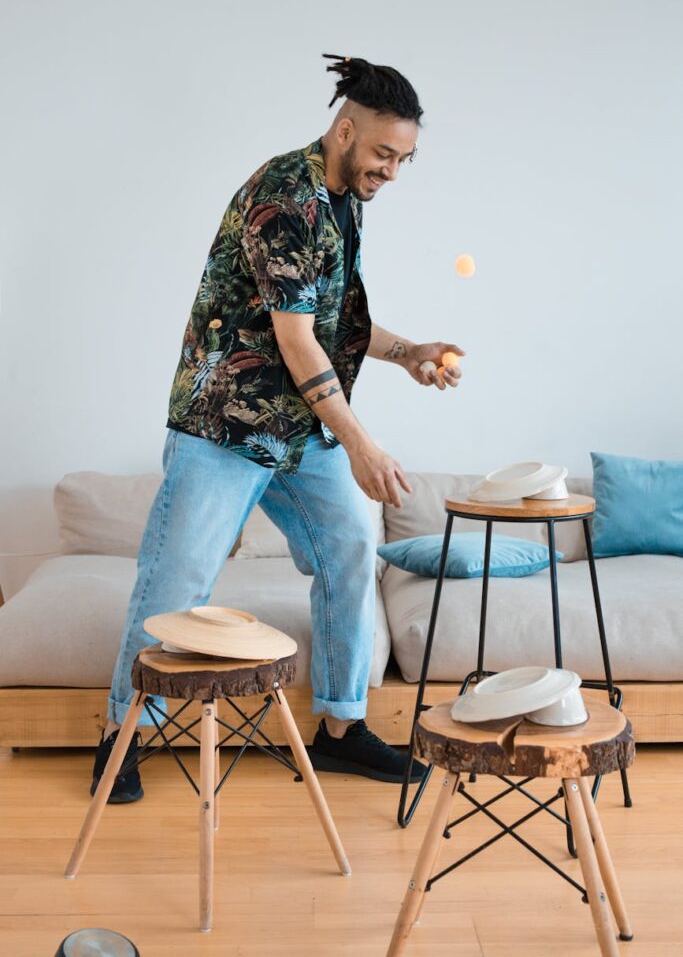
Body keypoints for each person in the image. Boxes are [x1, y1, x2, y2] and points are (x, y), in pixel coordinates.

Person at [91, 53, 465, 802]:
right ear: (343, 129)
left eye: (405, 159)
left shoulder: (343, 199)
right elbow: (295, 344)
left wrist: (407, 353)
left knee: (349, 550)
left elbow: (327, 323)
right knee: (176, 581)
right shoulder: (285, 194)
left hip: (298, 429)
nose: (391, 171)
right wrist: (360, 442)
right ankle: (120, 739)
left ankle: (339, 730)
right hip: (223, 423)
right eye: (383, 154)